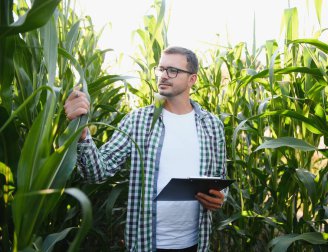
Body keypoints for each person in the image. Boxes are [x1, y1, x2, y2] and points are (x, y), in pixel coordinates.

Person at [64, 46, 227, 252]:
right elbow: (97, 172)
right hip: (145, 244)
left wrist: (219, 198)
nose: (163, 76)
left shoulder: (212, 126)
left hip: (196, 243)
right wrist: (81, 132)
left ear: (192, 79)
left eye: (173, 71)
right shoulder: (137, 121)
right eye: (161, 69)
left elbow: (221, 179)